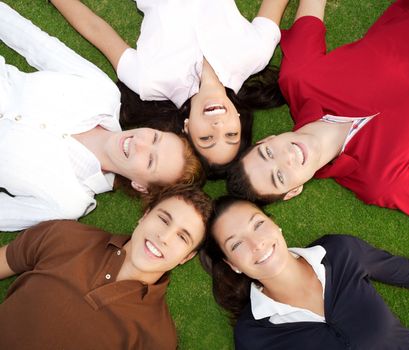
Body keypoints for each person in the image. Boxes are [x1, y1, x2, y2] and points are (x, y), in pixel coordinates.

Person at [0, 2, 202, 232]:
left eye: (150, 161)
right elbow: (38, 44)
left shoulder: (69, 202)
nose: (141, 144)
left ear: (141, 186)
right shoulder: (102, 92)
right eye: (155, 138)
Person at [227, 0, 409, 221]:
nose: (286, 157)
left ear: (268, 139)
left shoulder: (299, 78)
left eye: (268, 153)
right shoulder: (379, 182)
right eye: (279, 176)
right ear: (294, 191)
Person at [49, 0, 289, 172]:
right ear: (239, 118)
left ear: (186, 128)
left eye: (206, 138)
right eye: (230, 134)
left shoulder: (147, 81)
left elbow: (95, 28)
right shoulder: (256, 54)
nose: (217, 125)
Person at [200, 197, 409, 349]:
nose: (256, 243)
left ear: (275, 224)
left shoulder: (340, 253)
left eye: (258, 225)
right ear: (233, 265)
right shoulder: (252, 335)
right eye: (236, 244)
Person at [0, 184, 212, 350]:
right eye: (164, 220)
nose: (164, 237)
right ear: (145, 216)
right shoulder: (65, 235)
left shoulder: (158, 338)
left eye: (182, 237)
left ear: (187, 257)